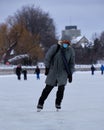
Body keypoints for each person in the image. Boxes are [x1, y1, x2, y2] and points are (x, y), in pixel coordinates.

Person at [37, 39, 75, 111]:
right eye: (64, 43)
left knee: (61, 89)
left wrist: (70, 74)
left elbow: (72, 63)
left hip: (63, 73)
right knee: (47, 89)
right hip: (53, 71)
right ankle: (40, 104)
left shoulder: (70, 51)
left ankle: (58, 104)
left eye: (67, 43)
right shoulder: (55, 48)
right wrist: (47, 68)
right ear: (61, 42)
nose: (65, 44)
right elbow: (47, 58)